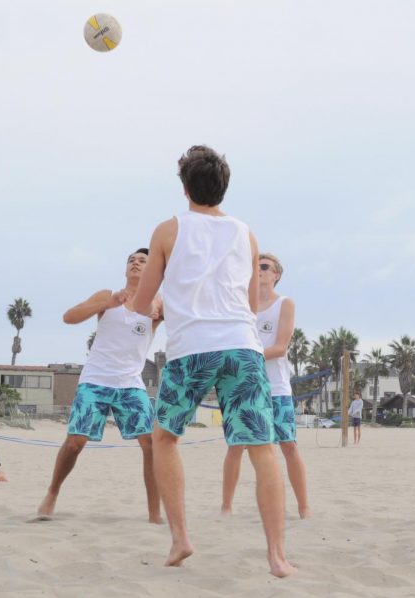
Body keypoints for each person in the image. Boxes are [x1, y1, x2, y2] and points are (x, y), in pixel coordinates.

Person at [132, 145, 295, 577]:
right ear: (224, 188)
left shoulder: (168, 230)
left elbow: (142, 302)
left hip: (191, 348)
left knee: (165, 439)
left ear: (184, 187)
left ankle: (181, 538)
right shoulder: (246, 233)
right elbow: (248, 302)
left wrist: (162, 305)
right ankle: (277, 555)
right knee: (262, 448)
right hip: (242, 344)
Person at [36, 248, 162, 523]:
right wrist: (105, 305)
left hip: (131, 384)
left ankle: (155, 513)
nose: (135, 264)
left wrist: (159, 312)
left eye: (143, 261)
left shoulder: (158, 304)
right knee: (75, 442)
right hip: (96, 380)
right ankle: (53, 493)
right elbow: (69, 317)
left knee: (151, 443)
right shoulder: (107, 295)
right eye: (131, 260)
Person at [221, 253, 311, 518]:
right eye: (254, 266)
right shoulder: (239, 305)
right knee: (236, 445)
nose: (258, 270)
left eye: (264, 267)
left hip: (276, 386)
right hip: (243, 385)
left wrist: (247, 356)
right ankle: (226, 507)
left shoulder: (284, 303)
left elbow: (281, 347)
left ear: (276, 275)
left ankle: (304, 507)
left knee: (289, 446)